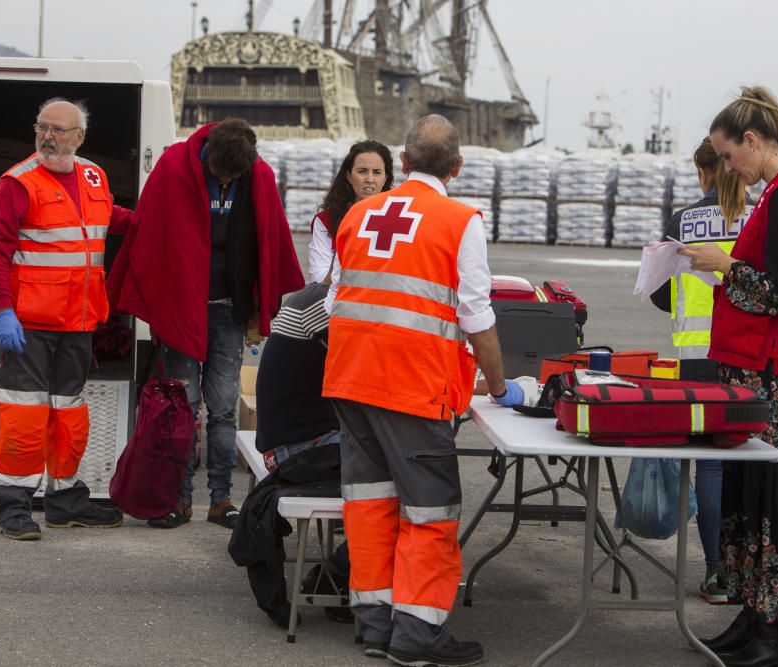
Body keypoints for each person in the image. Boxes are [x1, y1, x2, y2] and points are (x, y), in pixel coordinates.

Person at [322, 114, 524, 667]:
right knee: (429, 512)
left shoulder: (358, 214)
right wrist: (501, 386)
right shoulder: (460, 221)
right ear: (456, 168)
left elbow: (334, 296)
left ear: (403, 163)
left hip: (350, 378)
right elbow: (476, 315)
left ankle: (375, 627)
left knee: (369, 506)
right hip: (412, 387)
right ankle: (418, 638)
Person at [679, 86, 778, 667]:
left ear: (752, 141)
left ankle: (776, 629)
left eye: (729, 156)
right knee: (752, 496)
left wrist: (726, 265)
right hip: (757, 366)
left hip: (774, 371)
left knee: (773, 501)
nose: (727, 169)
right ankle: (755, 611)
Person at [107, 118, 305, 530]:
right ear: (207, 156)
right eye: (220, 174)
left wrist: (257, 306)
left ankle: (221, 499)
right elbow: (151, 232)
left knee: (222, 409)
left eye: (234, 176)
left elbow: (271, 239)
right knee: (182, 408)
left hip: (228, 309)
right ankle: (177, 501)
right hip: (182, 307)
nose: (227, 180)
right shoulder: (174, 166)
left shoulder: (258, 175)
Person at [0, 97, 130, 540]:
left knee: (69, 416)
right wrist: (4, 313)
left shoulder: (93, 175)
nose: (48, 136)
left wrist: (153, 221)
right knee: (24, 419)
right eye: (42, 127)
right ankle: (13, 508)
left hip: (78, 324)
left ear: (79, 137)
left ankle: (65, 501)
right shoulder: (17, 183)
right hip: (29, 326)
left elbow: (106, 220)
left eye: (59, 130)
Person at [650, 136, 751, 604]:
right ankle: (755, 563)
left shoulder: (683, 221)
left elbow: (656, 289)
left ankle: (717, 572)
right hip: (750, 356)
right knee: (756, 463)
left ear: (702, 172)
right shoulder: (761, 216)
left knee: (709, 467)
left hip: (696, 357)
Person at [254, 280, 351, 622]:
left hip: (293, 440)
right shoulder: (330, 306)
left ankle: (350, 576)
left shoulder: (318, 295)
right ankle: (337, 576)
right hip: (296, 449)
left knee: (398, 463)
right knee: (403, 479)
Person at [308, 140, 393, 282]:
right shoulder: (325, 221)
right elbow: (320, 279)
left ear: (385, 178)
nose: (370, 179)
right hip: (340, 300)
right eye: (362, 171)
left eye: (377, 172)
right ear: (349, 176)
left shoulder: (400, 219)